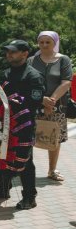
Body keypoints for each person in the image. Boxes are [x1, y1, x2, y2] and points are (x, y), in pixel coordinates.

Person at [0, 40, 44, 209]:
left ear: (25, 53)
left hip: (24, 125)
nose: (9, 54)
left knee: (25, 160)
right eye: (8, 51)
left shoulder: (33, 75)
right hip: (3, 123)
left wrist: (15, 100)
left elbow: (35, 100)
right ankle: (2, 189)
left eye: (13, 52)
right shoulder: (5, 73)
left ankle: (29, 197)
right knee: (3, 154)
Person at [27, 31, 72, 181]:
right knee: (27, 136)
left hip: (57, 105)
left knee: (54, 137)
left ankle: (52, 170)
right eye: (41, 42)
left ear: (55, 43)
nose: (44, 45)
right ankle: (23, 169)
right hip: (34, 104)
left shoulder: (63, 60)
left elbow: (66, 82)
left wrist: (51, 101)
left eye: (48, 42)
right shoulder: (31, 61)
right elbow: (27, 82)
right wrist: (41, 100)